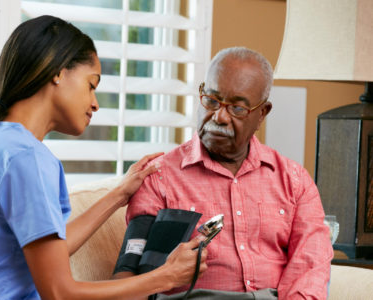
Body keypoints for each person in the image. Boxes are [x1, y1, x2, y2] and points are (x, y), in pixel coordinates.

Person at [0, 15, 208, 300]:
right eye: (91, 84)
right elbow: (59, 292)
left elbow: (48, 253)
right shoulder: (26, 158)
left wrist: (120, 195)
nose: (95, 103)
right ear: (58, 72)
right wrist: (164, 277)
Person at [113, 47, 333, 299]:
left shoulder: (294, 181)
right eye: (212, 101)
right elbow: (126, 276)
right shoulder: (158, 177)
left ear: (262, 113)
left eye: (237, 108)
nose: (219, 117)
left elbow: (311, 266)